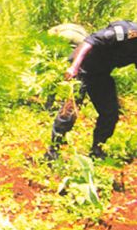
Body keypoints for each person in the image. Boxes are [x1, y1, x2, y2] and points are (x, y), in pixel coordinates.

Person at [46, 20, 137, 160]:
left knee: (110, 113)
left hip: (101, 74)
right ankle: (52, 151)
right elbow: (89, 42)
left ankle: (97, 150)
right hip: (82, 67)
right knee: (70, 111)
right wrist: (74, 67)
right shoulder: (125, 33)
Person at [44, 24, 89, 161]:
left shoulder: (56, 34)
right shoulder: (74, 28)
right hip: (84, 45)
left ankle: (52, 104)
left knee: (59, 74)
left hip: (75, 44)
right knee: (77, 79)